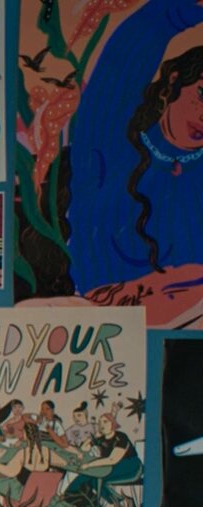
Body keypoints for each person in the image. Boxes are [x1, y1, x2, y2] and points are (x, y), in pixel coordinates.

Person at [66, 0, 203, 292]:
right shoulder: (112, 142)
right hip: (104, 312)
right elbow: (122, 64)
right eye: (202, 94)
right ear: (175, 80)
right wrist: (182, 9)